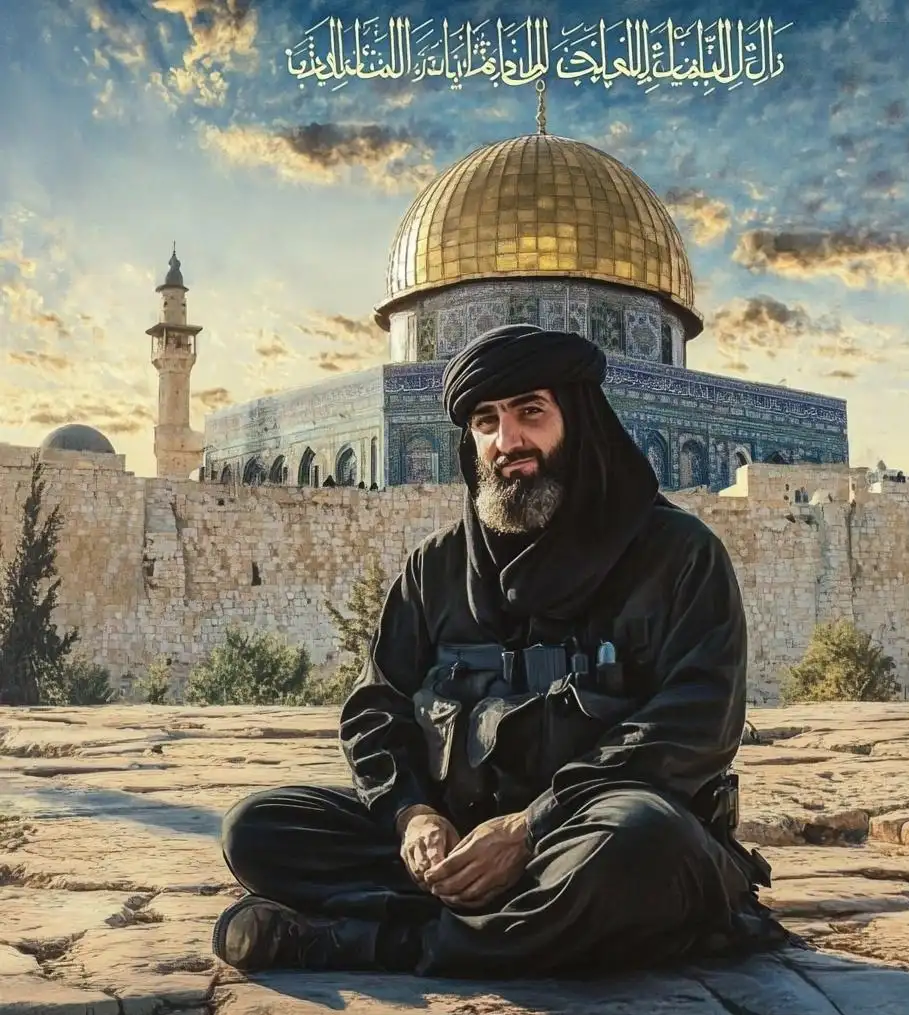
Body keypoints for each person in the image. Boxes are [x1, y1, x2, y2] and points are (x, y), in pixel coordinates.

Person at [211, 324, 780, 980]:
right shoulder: (438, 568)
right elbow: (377, 706)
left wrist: (528, 829)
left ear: (582, 419)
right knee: (258, 830)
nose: (508, 442)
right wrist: (414, 816)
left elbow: (695, 723)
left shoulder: (678, 556)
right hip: (460, 835)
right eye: (487, 421)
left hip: (589, 835)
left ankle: (371, 942)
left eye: (530, 413)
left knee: (640, 847)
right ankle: (497, 922)